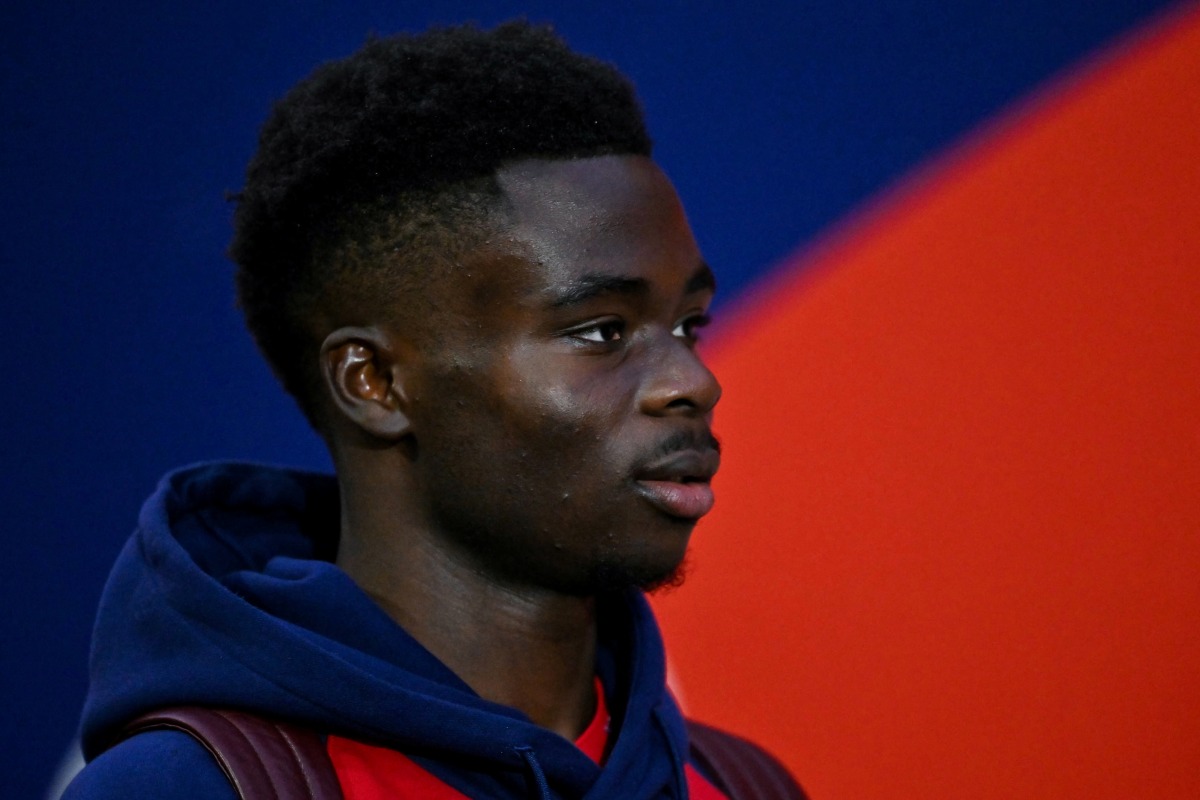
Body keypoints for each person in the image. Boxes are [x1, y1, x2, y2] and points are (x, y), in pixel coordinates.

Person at [64, 21, 801, 799]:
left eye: (690, 326)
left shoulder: (742, 785)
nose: (691, 381)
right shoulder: (192, 789)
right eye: (601, 332)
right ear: (374, 383)